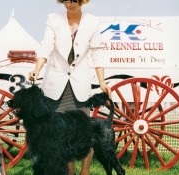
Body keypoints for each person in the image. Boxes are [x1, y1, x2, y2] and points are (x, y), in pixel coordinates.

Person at [29, 0, 111, 175]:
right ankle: (69, 172)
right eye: (65, 0)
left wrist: (102, 82)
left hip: (79, 87)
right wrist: (36, 70)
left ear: (83, 1)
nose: (69, 3)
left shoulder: (93, 22)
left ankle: (85, 172)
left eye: (74, 0)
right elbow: (46, 47)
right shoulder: (53, 19)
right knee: (60, 135)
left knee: (84, 133)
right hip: (55, 86)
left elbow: (98, 53)